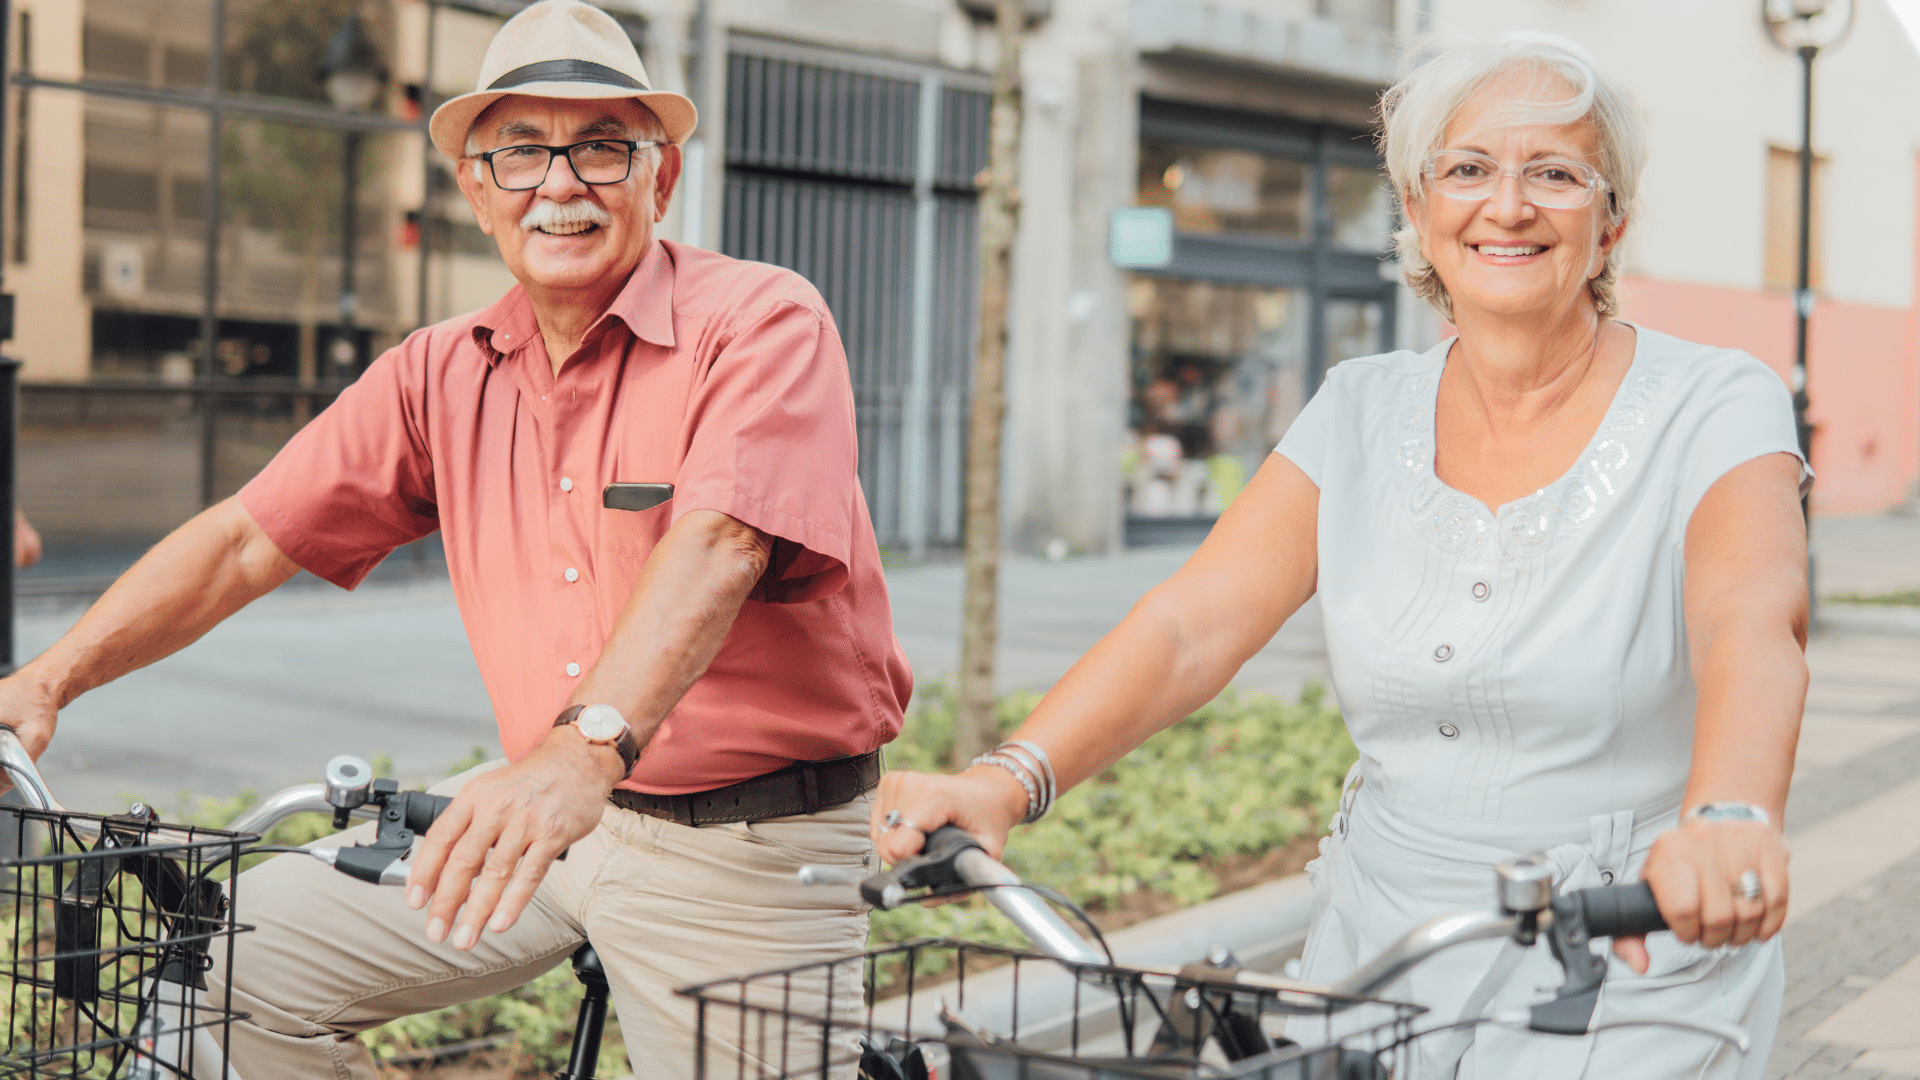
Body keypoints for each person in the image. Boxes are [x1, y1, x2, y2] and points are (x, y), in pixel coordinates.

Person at [0, 2, 910, 1075]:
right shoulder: (441, 372)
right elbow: (248, 540)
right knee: (221, 968)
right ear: (477, 191)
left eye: (602, 147)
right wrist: (47, 682)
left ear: (660, 181)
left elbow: (718, 546)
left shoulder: (760, 321)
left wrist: (580, 753)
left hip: (744, 848)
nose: (560, 184)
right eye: (519, 152)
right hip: (539, 812)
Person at [877, 32, 1803, 1080]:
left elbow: (1752, 618)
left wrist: (1730, 814)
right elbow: (1193, 625)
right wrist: (1009, 778)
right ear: (1416, 212)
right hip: (1382, 940)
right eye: (1465, 169)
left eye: (1555, 172)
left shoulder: (1717, 400)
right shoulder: (1361, 407)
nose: (1507, 205)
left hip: (1632, 939)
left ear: (1611, 223)